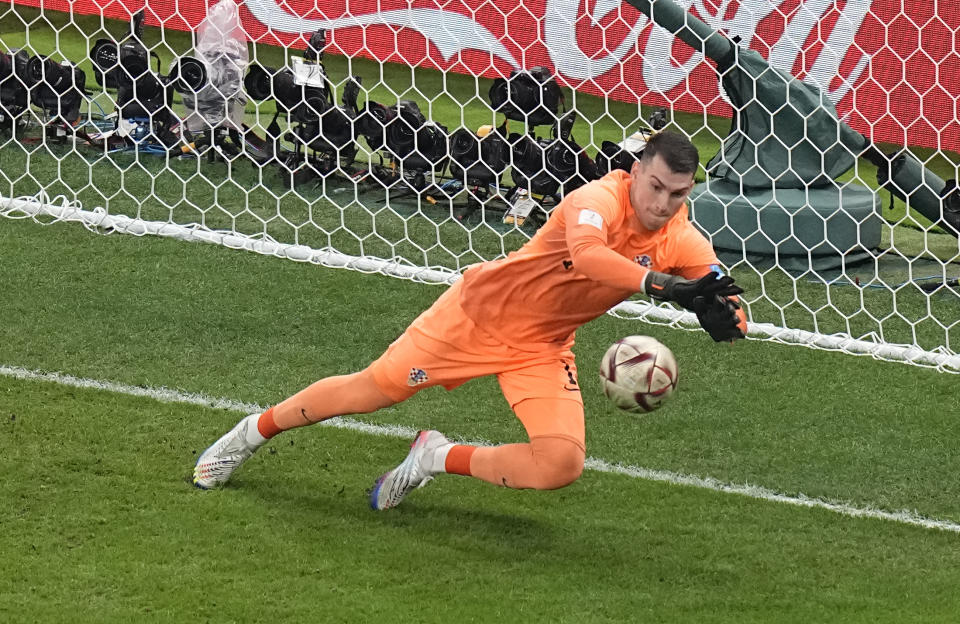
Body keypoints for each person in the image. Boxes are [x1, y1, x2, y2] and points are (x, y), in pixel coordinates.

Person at [192, 129, 747, 509]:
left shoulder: (682, 236)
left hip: (542, 347)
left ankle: (434, 456)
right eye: (655, 188)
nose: (664, 203)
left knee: (559, 464)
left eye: (678, 194)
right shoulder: (597, 198)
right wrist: (669, 287)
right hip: (473, 318)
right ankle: (249, 434)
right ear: (634, 175)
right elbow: (588, 256)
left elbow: (723, 291)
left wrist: (725, 317)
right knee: (372, 391)